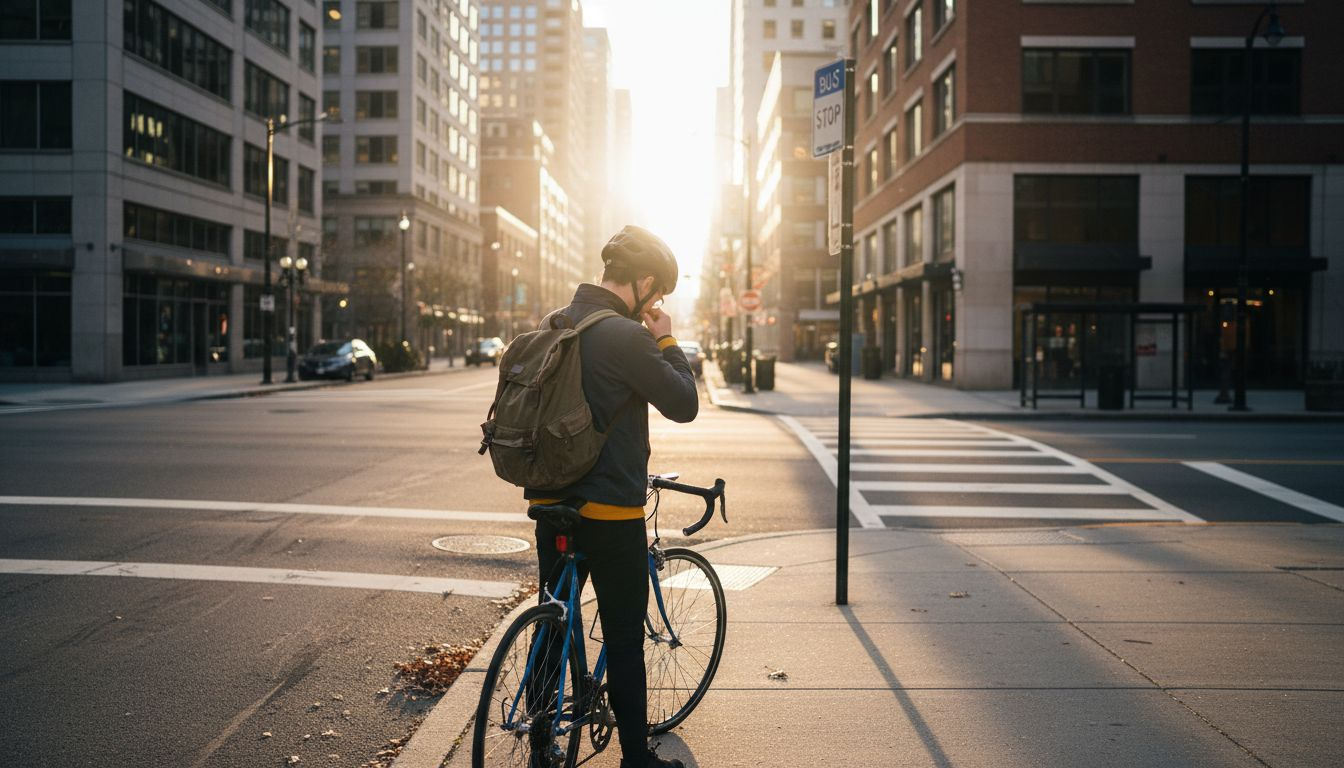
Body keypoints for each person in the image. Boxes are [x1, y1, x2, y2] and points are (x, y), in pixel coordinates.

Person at [527, 225, 698, 768]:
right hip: (610, 513)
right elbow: (683, 402)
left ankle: (538, 744)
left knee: (553, 621)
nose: (657, 302)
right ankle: (635, 760)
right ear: (644, 282)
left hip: (550, 505)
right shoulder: (627, 336)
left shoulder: (557, 322)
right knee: (624, 640)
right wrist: (667, 338)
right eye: (659, 293)